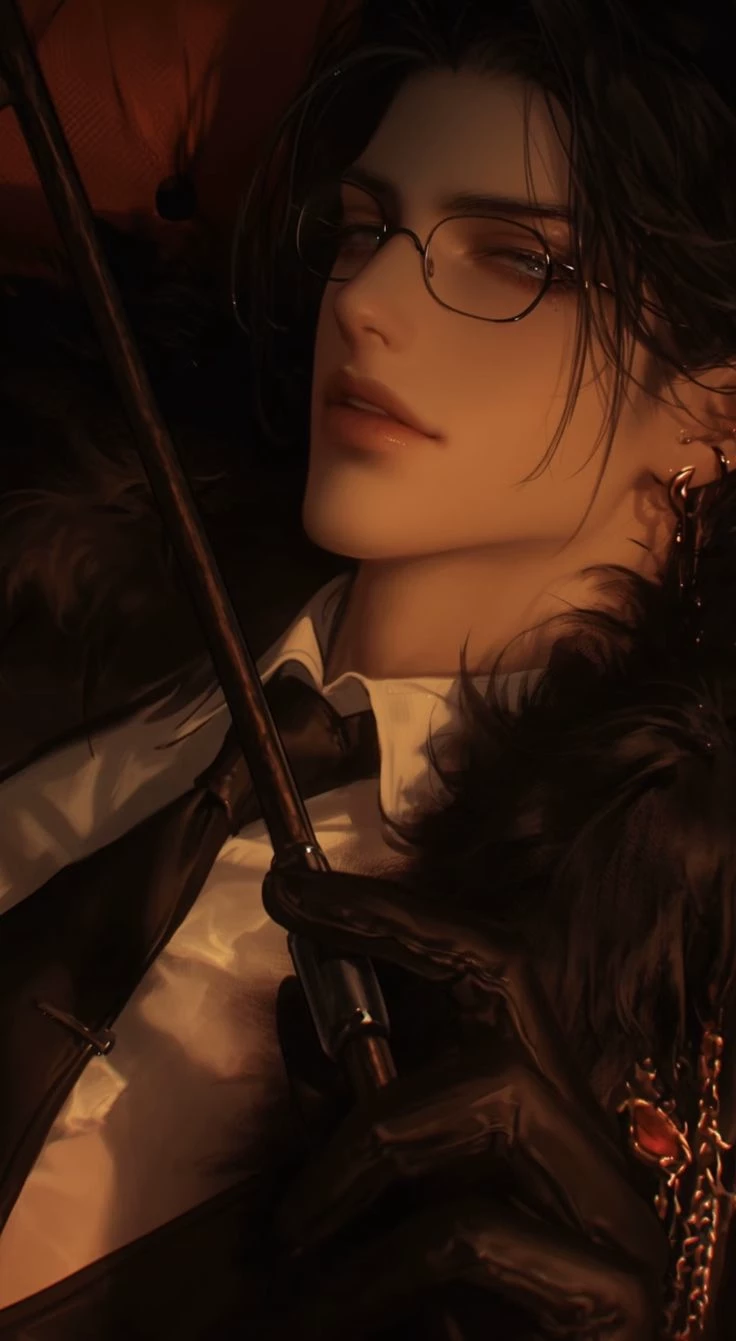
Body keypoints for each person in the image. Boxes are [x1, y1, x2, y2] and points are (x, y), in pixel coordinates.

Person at [1, 0, 736, 1336]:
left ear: (712, 412)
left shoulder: (662, 999)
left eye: (515, 258)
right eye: (361, 228)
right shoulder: (62, 577)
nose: (366, 300)